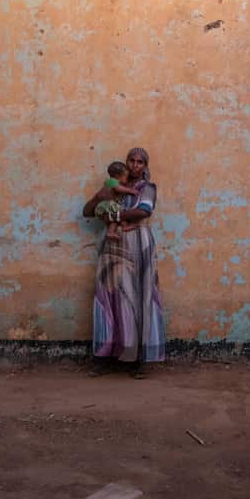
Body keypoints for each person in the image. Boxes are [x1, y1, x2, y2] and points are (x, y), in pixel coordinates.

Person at [83, 147, 165, 377]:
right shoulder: (113, 185)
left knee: (136, 298)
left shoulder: (147, 188)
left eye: (140, 162)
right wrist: (99, 197)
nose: (135, 165)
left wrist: (112, 216)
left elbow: (143, 212)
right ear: (126, 162)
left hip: (138, 245)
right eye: (132, 160)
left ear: (145, 166)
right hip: (112, 248)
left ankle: (135, 359)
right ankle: (105, 356)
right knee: (109, 298)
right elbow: (88, 211)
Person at [93, 161, 140, 239]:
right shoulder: (111, 181)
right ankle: (125, 226)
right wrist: (130, 190)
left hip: (108, 206)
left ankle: (110, 232)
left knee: (115, 219)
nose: (127, 179)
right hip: (106, 205)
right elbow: (118, 188)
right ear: (118, 176)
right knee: (120, 213)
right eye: (126, 177)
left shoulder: (115, 182)